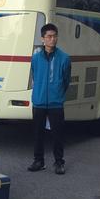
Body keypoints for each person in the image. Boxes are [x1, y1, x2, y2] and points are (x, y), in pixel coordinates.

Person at [27, 23, 71, 175]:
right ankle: (38, 160)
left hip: (55, 102)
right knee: (37, 133)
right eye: (49, 36)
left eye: (54, 36)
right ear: (43, 39)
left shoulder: (64, 58)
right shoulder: (36, 58)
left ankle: (59, 162)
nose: (52, 39)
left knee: (58, 134)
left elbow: (66, 80)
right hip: (39, 101)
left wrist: (58, 92)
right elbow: (35, 75)